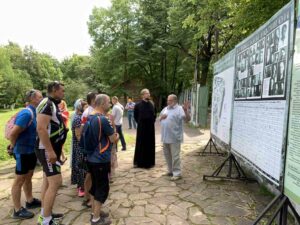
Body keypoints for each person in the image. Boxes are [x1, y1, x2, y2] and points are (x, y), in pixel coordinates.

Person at [35, 81, 68, 225]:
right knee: (55, 182)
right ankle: (45, 220)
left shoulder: (51, 104)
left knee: (47, 182)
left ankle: (45, 213)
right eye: (62, 90)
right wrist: (50, 151)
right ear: (54, 90)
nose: (63, 93)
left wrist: (60, 150)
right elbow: (41, 128)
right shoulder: (47, 104)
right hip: (46, 149)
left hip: (52, 149)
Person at [8, 89, 43, 219]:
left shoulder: (35, 112)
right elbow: (13, 133)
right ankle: (17, 210)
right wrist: (13, 147)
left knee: (28, 176)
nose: (42, 99)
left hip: (31, 150)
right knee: (19, 179)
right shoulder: (26, 113)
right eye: (40, 97)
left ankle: (30, 201)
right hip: (22, 152)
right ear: (33, 99)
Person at [86, 94, 119, 225]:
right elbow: (113, 139)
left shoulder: (90, 117)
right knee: (102, 188)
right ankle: (96, 219)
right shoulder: (103, 120)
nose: (110, 105)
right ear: (102, 104)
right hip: (101, 159)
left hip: (91, 158)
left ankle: (95, 212)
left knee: (95, 187)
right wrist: (116, 134)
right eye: (108, 103)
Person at [160, 94, 190, 181]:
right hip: (165, 136)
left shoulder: (180, 109)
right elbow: (160, 118)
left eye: (169, 100)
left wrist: (186, 110)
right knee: (167, 155)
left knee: (175, 156)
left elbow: (187, 120)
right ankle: (170, 171)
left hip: (174, 137)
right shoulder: (165, 109)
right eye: (168, 100)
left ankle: (177, 174)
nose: (167, 102)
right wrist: (161, 117)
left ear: (175, 101)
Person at [133, 89, 156, 168]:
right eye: (147, 93)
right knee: (141, 144)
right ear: (142, 95)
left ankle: (150, 162)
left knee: (150, 144)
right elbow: (135, 116)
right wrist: (140, 123)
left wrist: (152, 121)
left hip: (150, 128)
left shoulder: (152, 104)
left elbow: (154, 114)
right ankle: (140, 162)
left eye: (149, 93)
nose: (148, 95)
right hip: (142, 128)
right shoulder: (138, 105)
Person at [81, 92, 97, 208]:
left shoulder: (91, 111)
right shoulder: (89, 112)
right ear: (92, 100)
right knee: (90, 174)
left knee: (90, 174)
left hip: (91, 147)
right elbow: (84, 132)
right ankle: (88, 197)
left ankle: (88, 196)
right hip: (91, 148)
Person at [71, 99, 88, 197]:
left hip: (81, 146)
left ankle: (82, 186)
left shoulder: (81, 117)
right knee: (81, 167)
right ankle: (81, 187)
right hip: (80, 147)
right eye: (85, 107)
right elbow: (78, 135)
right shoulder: (78, 118)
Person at [58, 100, 69, 164]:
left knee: (60, 144)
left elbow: (64, 118)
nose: (59, 105)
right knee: (60, 144)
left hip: (64, 129)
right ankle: (63, 157)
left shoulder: (66, 111)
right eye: (59, 104)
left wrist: (59, 112)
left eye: (60, 104)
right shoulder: (58, 111)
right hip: (59, 129)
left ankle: (62, 157)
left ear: (63, 105)